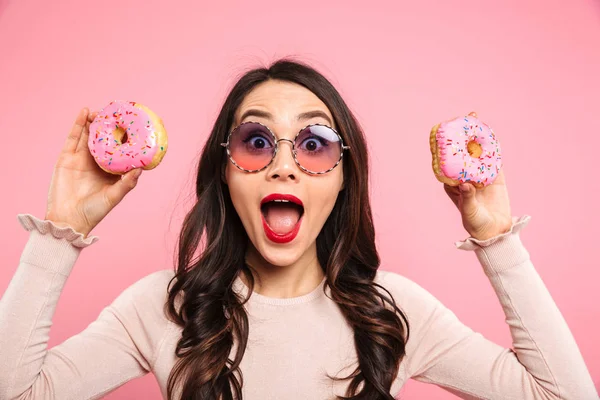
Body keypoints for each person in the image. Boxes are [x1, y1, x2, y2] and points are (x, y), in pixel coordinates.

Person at [0, 59, 597, 400]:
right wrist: (58, 233)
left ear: (342, 178)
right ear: (225, 173)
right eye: (256, 141)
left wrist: (498, 240)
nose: (284, 163)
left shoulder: (392, 314)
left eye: (313, 144)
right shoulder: (166, 308)